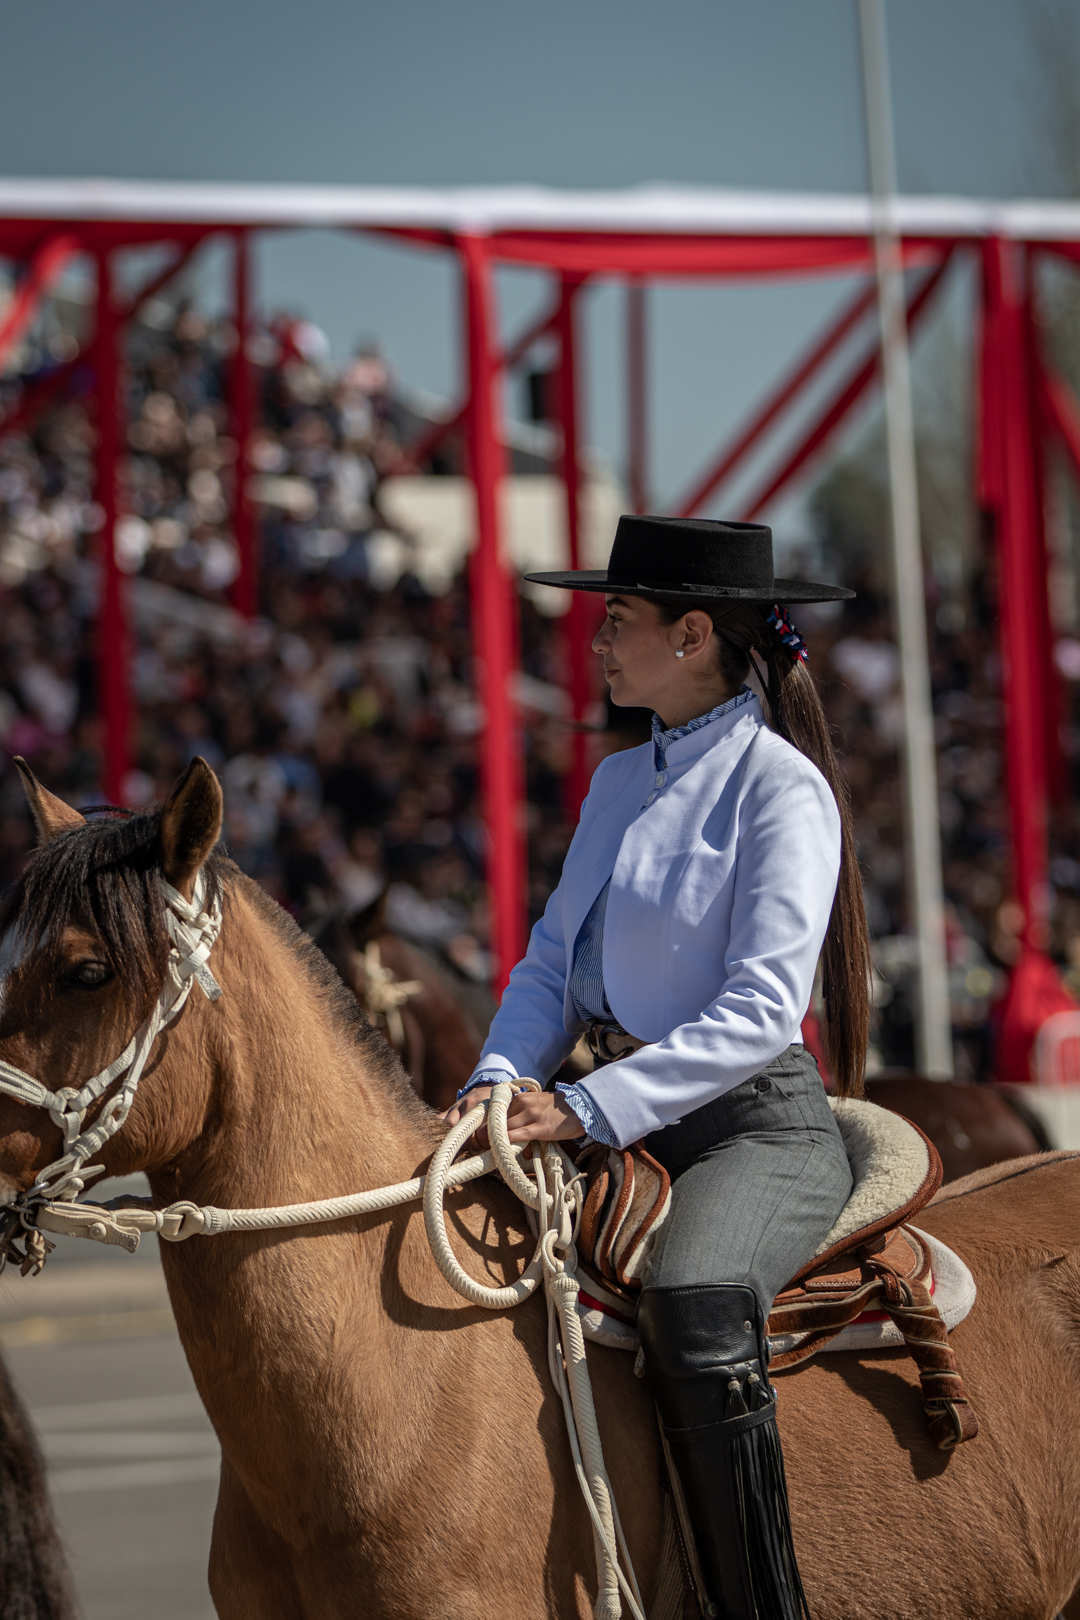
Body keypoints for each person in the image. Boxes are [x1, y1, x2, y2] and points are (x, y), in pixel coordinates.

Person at [444, 515, 871, 1620]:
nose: (596, 641)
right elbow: (551, 964)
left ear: (692, 636)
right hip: (611, 1113)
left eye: (616, 619)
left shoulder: (782, 788)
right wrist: (495, 1080)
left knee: (692, 1303)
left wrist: (584, 1105)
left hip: (752, 1126)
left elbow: (763, 1010)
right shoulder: (617, 780)